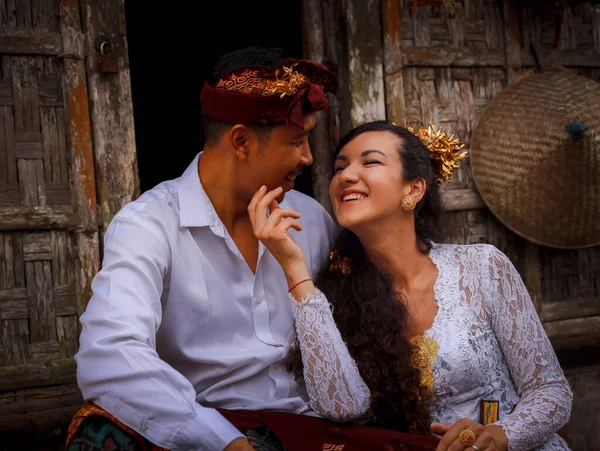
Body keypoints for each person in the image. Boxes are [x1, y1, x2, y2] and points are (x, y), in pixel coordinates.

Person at [64, 46, 359, 451]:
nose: (308, 157)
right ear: (240, 141)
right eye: (297, 140)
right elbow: (110, 355)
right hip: (207, 429)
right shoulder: (148, 225)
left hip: (310, 429)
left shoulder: (309, 217)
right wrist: (224, 442)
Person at [251, 120, 573, 451]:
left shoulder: (481, 267)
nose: (345, 176)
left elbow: (551, 389)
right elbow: (342, 408)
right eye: (339, 167)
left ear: (414, 189)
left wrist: (501, 435)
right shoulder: (334, 297)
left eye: (371, 161)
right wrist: (294, 270)